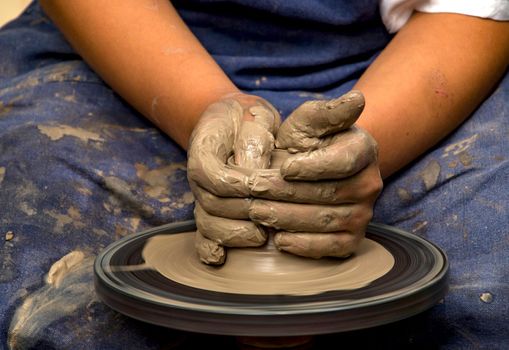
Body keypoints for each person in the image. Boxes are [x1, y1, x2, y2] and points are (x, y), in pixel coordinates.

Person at [0, 0, 507, 348]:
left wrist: (338, 164)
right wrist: (212, 106)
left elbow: (472, 9)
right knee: (52, 301)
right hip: (125, 47)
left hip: (407, 63)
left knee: (485, 301)